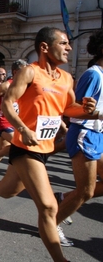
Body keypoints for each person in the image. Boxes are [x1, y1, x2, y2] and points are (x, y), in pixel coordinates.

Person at [0, 27, 97, 262]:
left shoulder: (66, 78)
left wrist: (86, 112)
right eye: (64, 43)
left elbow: (68, 109)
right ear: (45, 47)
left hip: (45, 148)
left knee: (4, 190)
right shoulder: (30, 72)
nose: (69, 47)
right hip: (25, 148)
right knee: (48, 208)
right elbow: (7, 102)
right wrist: (23, 129)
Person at [56, 29, 103, 240]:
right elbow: (75, 109)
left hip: (97, 134)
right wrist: (98, 114)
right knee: (85, 191)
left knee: (87, 190)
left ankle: (63, 198)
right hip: (85, 133)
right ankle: (51, 224)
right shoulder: (94, 74)